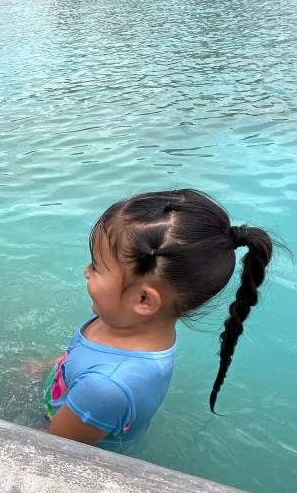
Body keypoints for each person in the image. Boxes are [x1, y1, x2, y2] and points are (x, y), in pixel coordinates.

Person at [43, 189, 277, 446]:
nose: (86, 271)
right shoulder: (126, 322)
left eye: (97, 266)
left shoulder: (106, 387)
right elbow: (79, 361)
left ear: (143, 300)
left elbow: (51, 451)